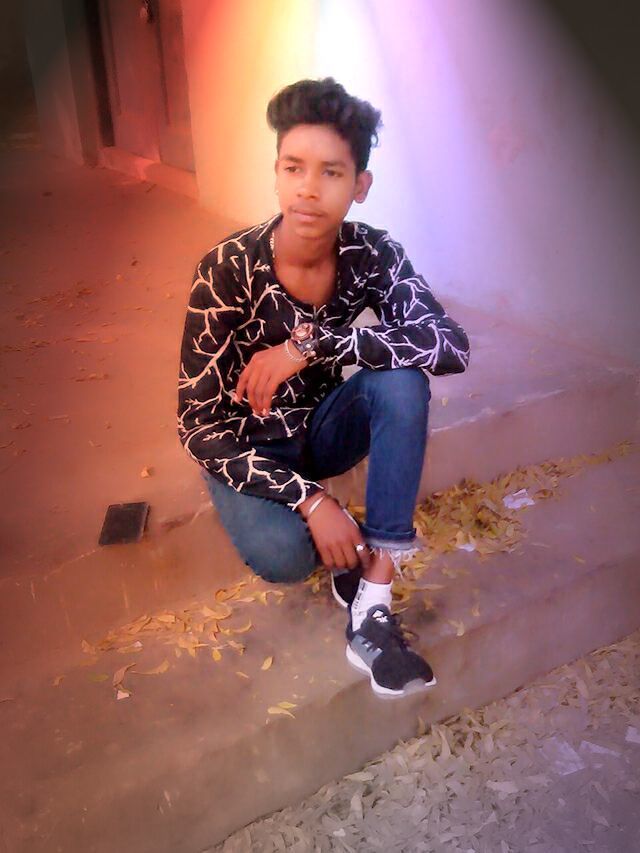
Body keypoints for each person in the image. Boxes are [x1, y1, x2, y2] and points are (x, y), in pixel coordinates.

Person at [177, 77, 470, 699]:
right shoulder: (226, 270)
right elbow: (197, 425)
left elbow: (449, 346)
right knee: (283, 557)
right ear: (276, 174)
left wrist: (314, 345)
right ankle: (334, 537)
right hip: (247, 449)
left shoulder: (373, 254)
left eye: (331, 172)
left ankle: (374, 601)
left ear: (360, 185)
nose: (308, 189)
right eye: (294, 167)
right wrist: (312, 501)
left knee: (401, 382)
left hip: (320, 428)